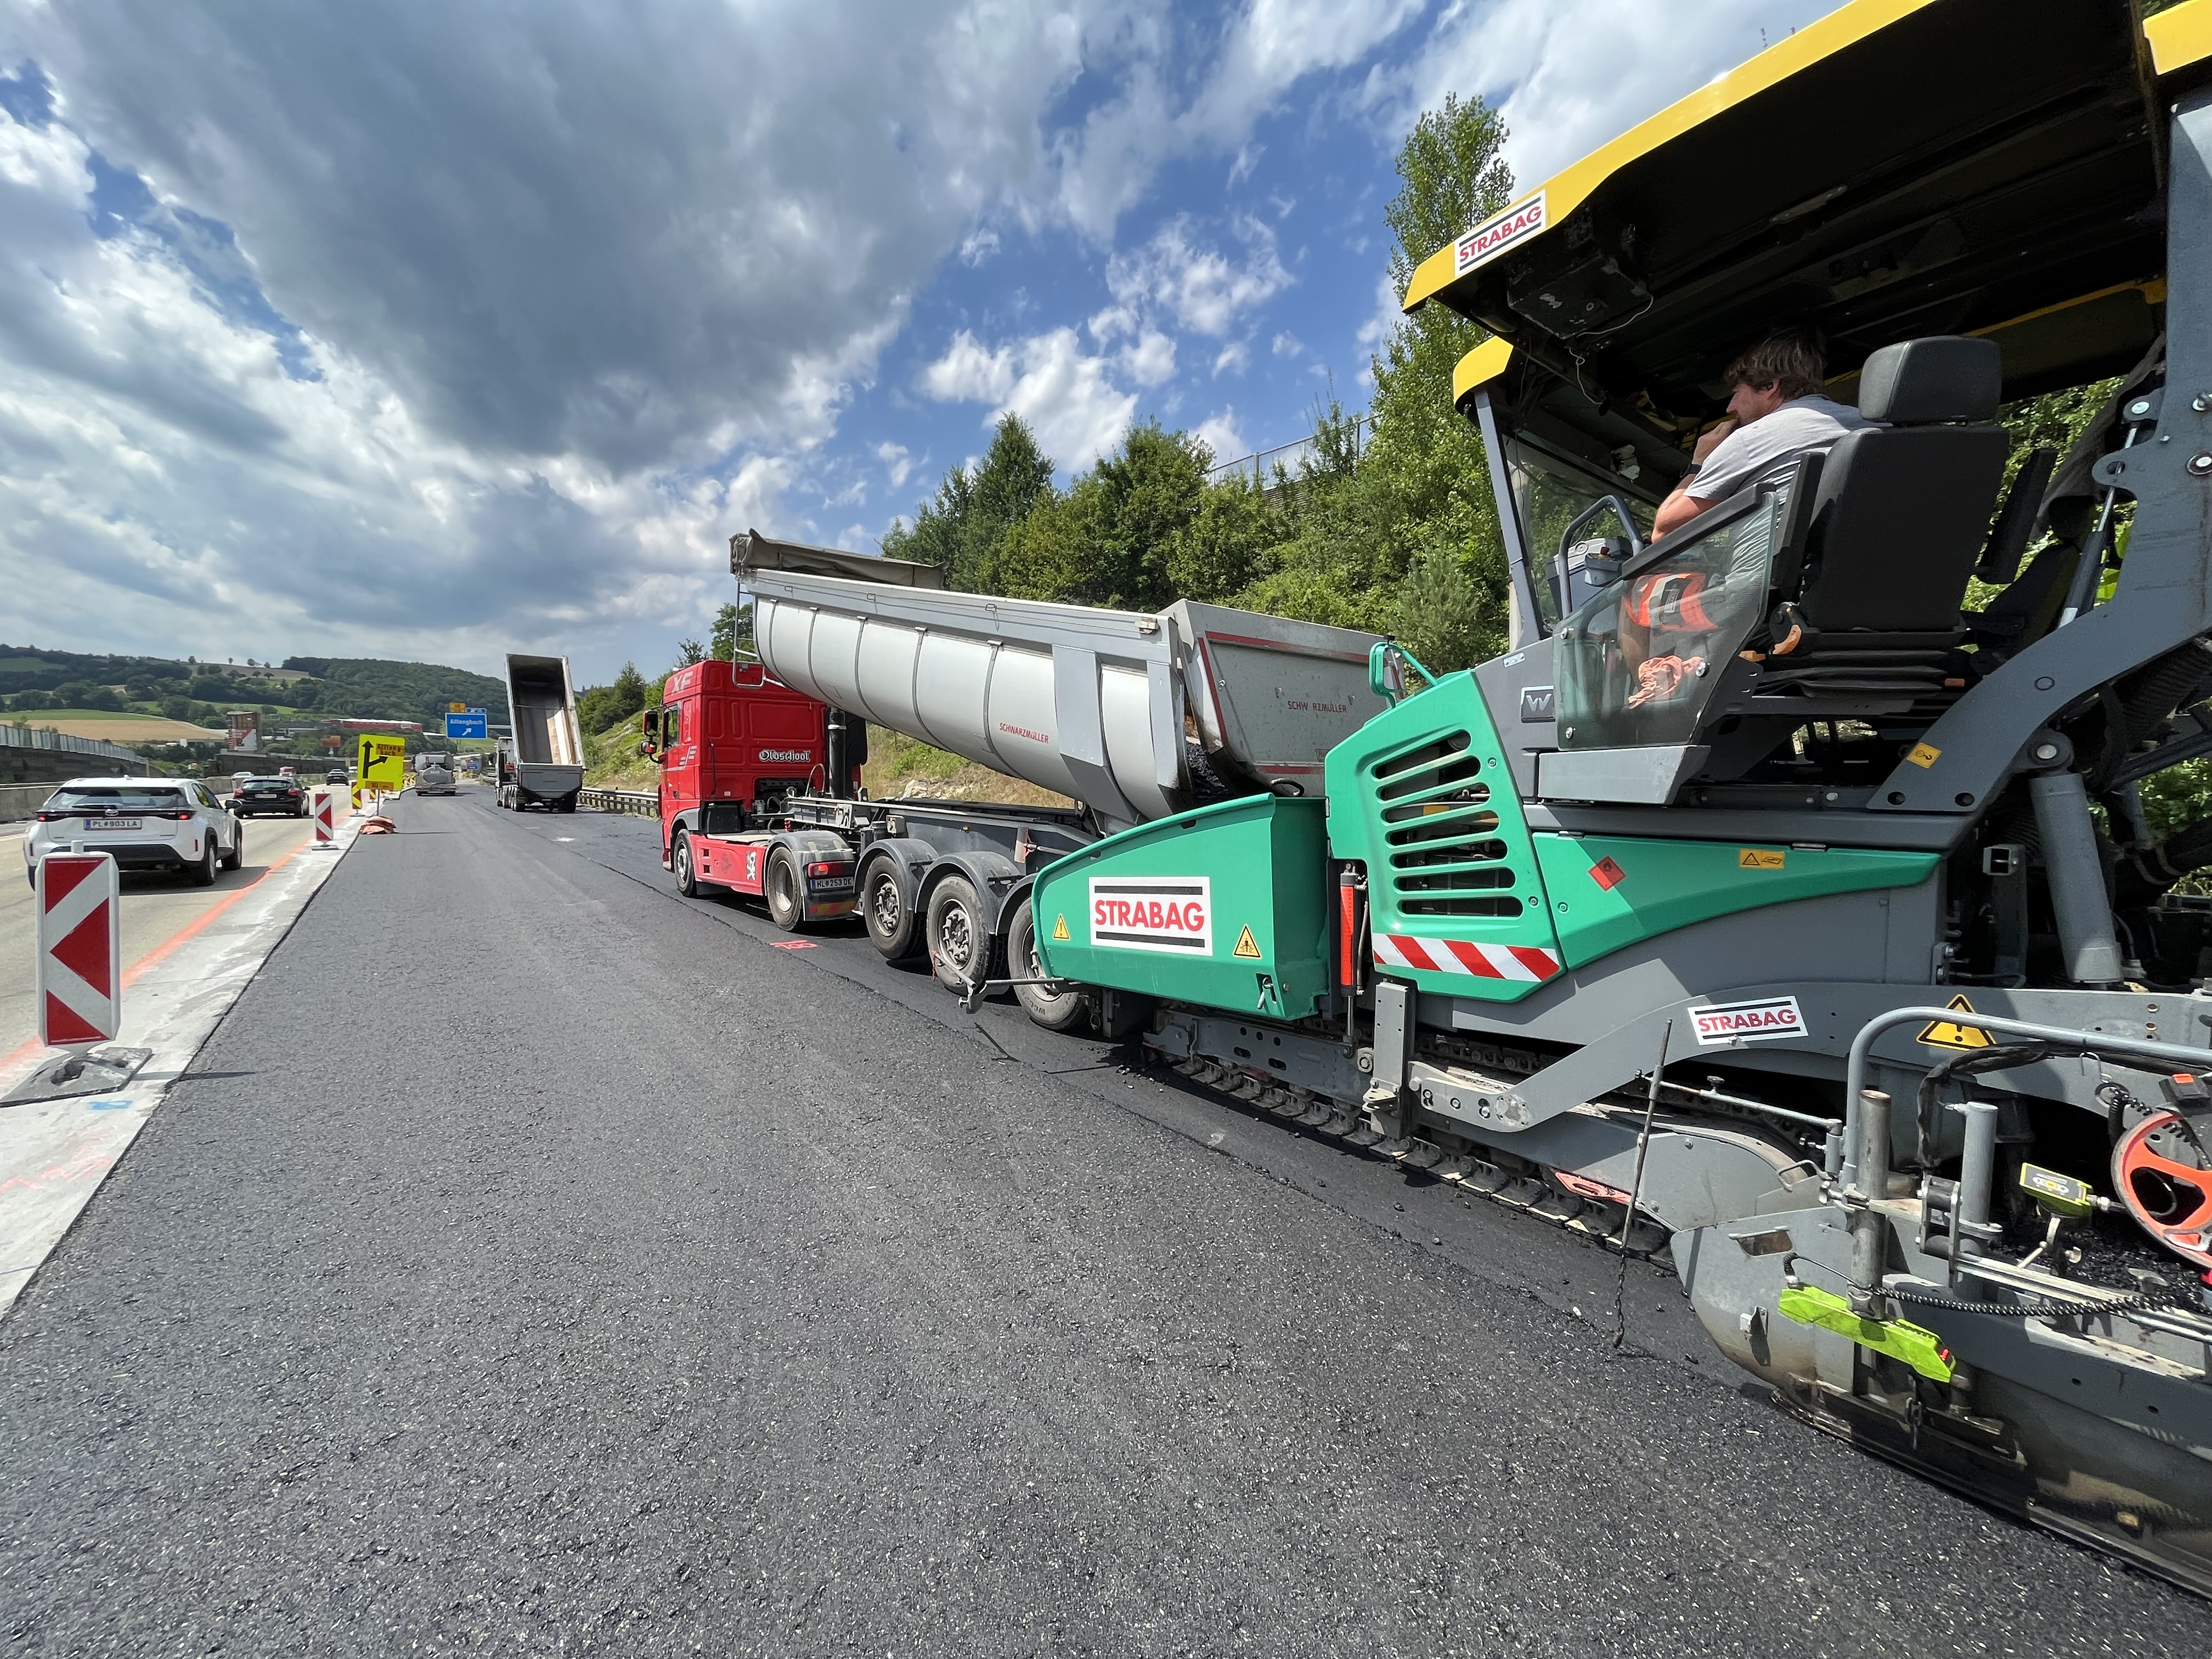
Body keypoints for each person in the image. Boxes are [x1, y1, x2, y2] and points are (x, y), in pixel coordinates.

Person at [1650, 330, 1872, 539]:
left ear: (1769, 387)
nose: (1730, 408)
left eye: (1736, 393)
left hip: (1773, 577)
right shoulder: (1873, 425)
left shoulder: (1750, 439)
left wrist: (1698, 463)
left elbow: (1664, 532)